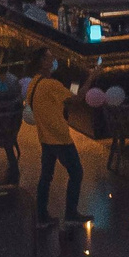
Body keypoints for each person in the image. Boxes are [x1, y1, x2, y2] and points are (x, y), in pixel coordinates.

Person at [27, 55, 87, 225]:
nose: (52, 60)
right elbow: (76, 99)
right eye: (48, 57)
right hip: (60, 138)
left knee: (46, 177)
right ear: (42, 63)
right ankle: (71, 214)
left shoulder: (34, 83)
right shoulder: (51, 84)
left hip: (45, 136)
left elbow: (64, 99)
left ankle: (41, 215)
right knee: (76, 173)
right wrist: (92, 77)